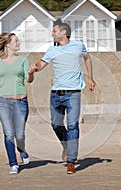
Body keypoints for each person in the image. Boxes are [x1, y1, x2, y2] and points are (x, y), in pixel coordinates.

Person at [29, 19, 95, 174]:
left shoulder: (78, 45)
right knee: (55, 124)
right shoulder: (52, 50)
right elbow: (41, 64)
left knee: (73, 126)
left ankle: (71, 160)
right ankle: (66, 145)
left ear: (64, 32)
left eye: (54, 31)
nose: (52, 33)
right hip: (56, 94)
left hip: (73, 94)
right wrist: (34, 68)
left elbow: (87, 58)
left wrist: (91, 77)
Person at [0, 33, 34, 174]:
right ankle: (13, 164)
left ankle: (22, 149)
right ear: (8, 44)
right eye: (16, 41)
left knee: (19, 135)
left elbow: (28, 80)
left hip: (20, 101)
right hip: (3, 102)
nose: (18, 43)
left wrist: (31, 73)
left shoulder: (23, 60)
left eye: (18, 41)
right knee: (8, 133)